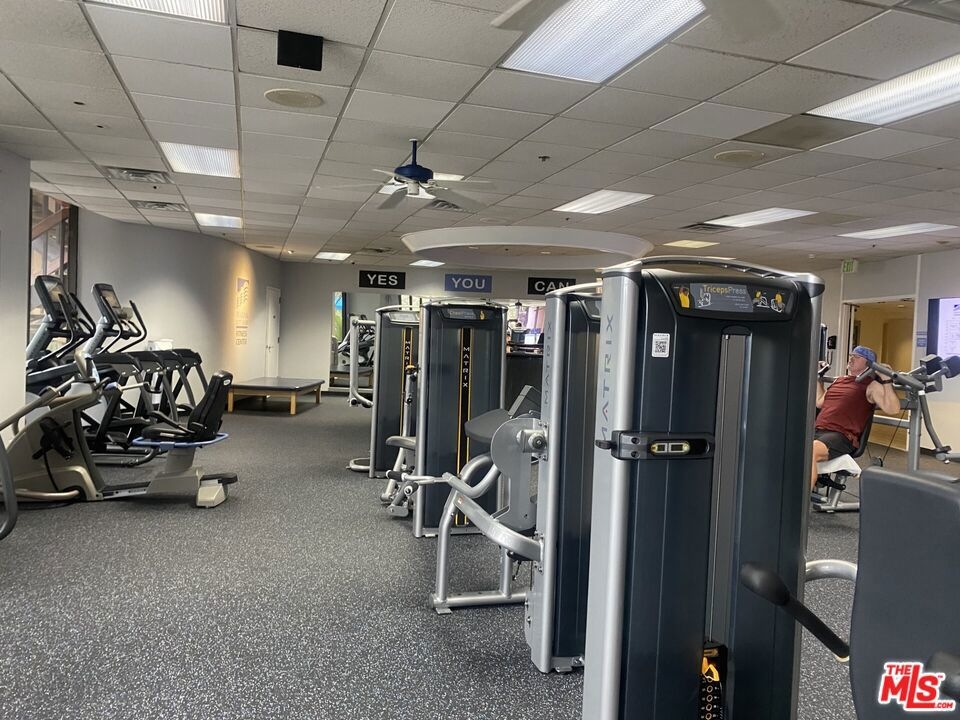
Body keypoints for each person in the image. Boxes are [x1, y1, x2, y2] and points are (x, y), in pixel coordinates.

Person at [811, 345, 901, 489]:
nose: (851, 359)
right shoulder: (839, 380)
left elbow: (893, 409)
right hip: (818, 429)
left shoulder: (871, 385)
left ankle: (799, 502)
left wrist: (887, 380)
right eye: (851, 356)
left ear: (869, 364)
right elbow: (820, 402)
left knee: (812, 451)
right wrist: (817, 378)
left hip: (841, 436)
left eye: (857, 357)